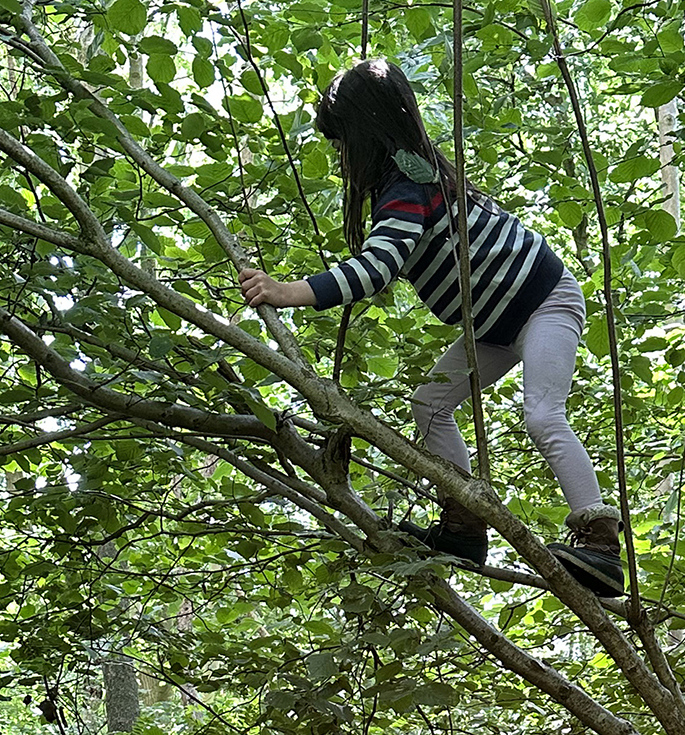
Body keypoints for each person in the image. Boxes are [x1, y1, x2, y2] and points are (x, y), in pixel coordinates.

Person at [238, 58, 626, 597]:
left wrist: (286, 292)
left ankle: (601, 544)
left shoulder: (409, 185)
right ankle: (465, 525)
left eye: (342, 143)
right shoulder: (406, 183)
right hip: (491, 327)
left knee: (542, 414)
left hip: (544, 303)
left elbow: (376, 268)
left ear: (365, 134)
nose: (340, 158)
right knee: (429, 404)